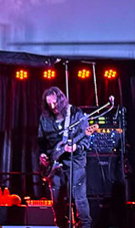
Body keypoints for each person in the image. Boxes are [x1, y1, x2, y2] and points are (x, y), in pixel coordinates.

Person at [37, 86, 92, 228]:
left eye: (55, 103)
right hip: (55, 164)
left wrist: (76, 147)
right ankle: (61, 225)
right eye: (49, 104)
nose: (53, 107)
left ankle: (85, 225)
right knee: (56, 200)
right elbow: (41, 141)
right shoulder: (45, 118)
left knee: (79, 198)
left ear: (61, 100)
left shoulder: (76, 114)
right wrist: (43, 154)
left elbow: (86, 139)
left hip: (75, 162)